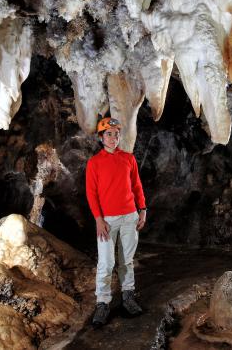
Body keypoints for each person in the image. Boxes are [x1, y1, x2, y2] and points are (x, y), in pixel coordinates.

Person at [85, 117, 147, 328]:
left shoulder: (128, 159)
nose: (113, 137)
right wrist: (98, 219)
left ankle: (128, 296)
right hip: (107, 221)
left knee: (127, 260)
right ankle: (102, 303)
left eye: (116, 134)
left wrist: (143, 210)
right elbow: (91, 194)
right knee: (106, 263)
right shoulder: (94, 163)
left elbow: (137, 186)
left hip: (130, 217)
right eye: (109, 134)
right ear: (101, 138)